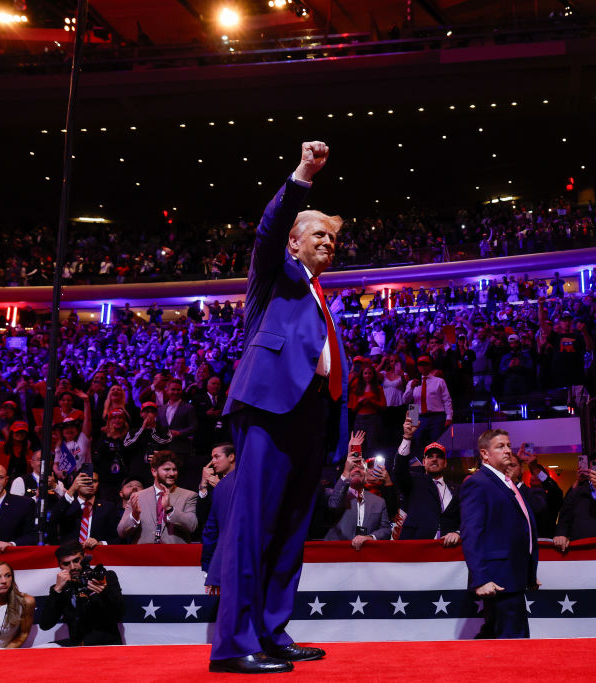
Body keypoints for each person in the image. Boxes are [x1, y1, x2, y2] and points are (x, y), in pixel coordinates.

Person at [211, 142, 345, 674]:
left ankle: (272, 630)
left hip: (311, 415)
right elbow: (268, 229)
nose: (329, 244)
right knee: (253, 527)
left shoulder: (317, 293)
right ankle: (233, 644)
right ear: (294, 243)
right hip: (268, 410)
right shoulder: (272, 275)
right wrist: (304, 174)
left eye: (333, 239)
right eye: (319, 235)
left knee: (290, 529)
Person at [460, 429, 539, 638]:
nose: (507, 451)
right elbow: (472, 534)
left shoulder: (505, 481)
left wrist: (529, 571)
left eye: (508, 446)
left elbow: (519, 528)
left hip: (513, 576)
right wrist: (480, 579)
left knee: (506, 640)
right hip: (498, 578)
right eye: (500, 446)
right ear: (485, 454)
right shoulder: (478, 482)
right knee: (512, 642)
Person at [37, 541, 124, 646]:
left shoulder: (105, 578)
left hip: (106, 644)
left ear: (85, 558)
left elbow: (119, 614)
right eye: (66, 564)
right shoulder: (61, 589)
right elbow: (45, 625)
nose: (72, 567)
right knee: (43, 649)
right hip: (77, 647)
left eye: (76, 560)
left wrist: (104, 594)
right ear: (59, 565)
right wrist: (58, 589)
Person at [393, 418, 461, 545]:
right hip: (416, 548)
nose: (434, 459)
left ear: (445, 463)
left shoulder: (456, 489)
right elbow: (399, 469)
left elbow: (464, 518)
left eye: (439, 457)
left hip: (447, 552)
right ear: (424, 462)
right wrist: (407, 437)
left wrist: (457, 532)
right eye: (430, 456)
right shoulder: (413, 481)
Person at [117, 450, 197, 543]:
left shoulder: (189, 496)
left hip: (173, 555)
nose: (172, 473)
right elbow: (121, 532)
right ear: (154, 471)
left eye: (174, 469)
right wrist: (134, 516)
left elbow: (192, 526)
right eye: (167, 469)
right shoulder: (137, 497)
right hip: (144, 555)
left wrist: (169, 509)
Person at [324, 452, 391, 547]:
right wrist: (346, 472)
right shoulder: (334, 494)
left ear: (366, 474)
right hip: (336, 553)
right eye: (352, 468)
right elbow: (334, 505)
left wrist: (371, 537)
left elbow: (386, 529)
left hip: (365, 555)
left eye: (361, 468)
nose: (357, 470)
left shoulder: (379, 502)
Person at [51, 471, 122, 548]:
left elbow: (116, 538)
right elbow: (53, 519)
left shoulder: (108, 507)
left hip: (97, 556)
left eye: (94, 481)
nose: (90, 484)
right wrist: (72, 489)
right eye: (85, 480)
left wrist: (100, 544)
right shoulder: (67, 505)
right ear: (76, 482)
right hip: (70, 555)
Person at [402, 355, 453, 459]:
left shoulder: (439, 381)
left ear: (430, 366)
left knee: (437, 441)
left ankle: (437, 463)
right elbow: (405, 400)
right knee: (417, 440)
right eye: (421, 365)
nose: (423, 367)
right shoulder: (411, 382)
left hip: (436, 414)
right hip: (415, 412)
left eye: (426, 364)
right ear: (418, 367)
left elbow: (447, 400)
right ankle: (421, 465)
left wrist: (449, 417)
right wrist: (411, 388)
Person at [196, 442, 236, 539]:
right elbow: (201, 516)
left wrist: (222, 488)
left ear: (231, 457)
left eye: (217, 457)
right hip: (215, 538)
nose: (213, 461)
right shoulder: (212, 482)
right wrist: (203, 484)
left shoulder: (242, 481)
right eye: (212, 457)